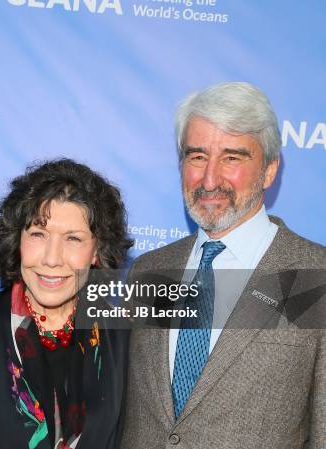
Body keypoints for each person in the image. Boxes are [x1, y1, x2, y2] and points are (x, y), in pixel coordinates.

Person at [120, 82, 326, 449]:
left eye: (232, 157)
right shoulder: (147, 270)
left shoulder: (315, 275)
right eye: (197, 156)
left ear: (268, 170)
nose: (210, 179)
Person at [0, 159, 132, 449]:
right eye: (38, 234)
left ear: (96, 251)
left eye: (73, 239)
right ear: (17, 240)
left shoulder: (122, 337)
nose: (51, 258)